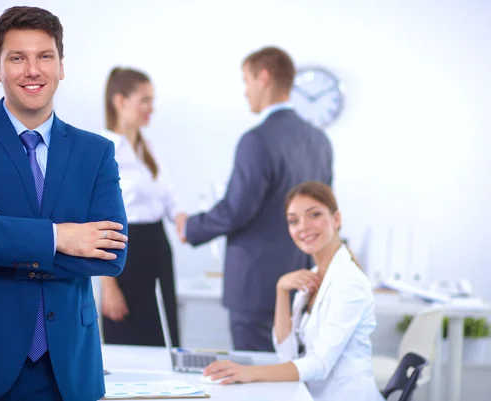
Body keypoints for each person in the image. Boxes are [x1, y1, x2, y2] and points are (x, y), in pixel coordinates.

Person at [0, 6, 128, 401]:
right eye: (17, 58)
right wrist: (58, 237)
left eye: (44, 56)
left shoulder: (96, 151)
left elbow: (110, 254)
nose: (33, 70)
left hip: (65, 372)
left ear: (61, 66)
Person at [178, 46, 333, 352]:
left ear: (263, 78)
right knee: (289, 373)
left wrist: (191, 228)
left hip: (255, 286)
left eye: (246, 80)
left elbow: (237, 209)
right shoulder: (319, 141)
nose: (245, 91)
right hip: (303, 279)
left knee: (257, 376)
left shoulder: (257, 140)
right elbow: (323, 209)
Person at [203, 181, 384, 401]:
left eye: (314, 215)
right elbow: (287, 354)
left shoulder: (350, 284)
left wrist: (249, 373)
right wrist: (281, 290)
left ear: (336, 219)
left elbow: (319, 364)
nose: (303, 227)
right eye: (293, 221)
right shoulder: (314, 276)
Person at [99, 67, 183, 347]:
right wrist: (108, 286)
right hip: (125, 254)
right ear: (120, 101)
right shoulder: (103, 149)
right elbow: (96, 221)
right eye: (144, 100)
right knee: (128, 339)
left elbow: (170, 198)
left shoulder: (148, 147)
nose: (151, 108)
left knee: (164, 335)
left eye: (152, 100)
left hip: (158, 249)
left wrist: (187, 222)